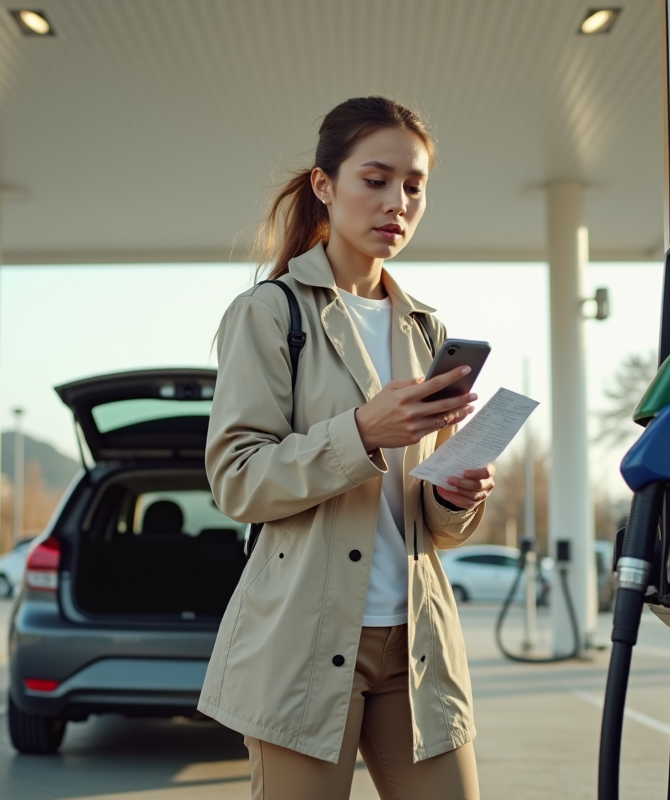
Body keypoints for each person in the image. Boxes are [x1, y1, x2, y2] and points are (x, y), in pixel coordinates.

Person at [199, 96, 495, 800]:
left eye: (414, 185)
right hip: (302, 642)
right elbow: (237, 481)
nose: (398, 201)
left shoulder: (427, 330)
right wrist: (360, 432)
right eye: (376, 178)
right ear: (325, 186)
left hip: (417, 644)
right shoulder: (270, 313)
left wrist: (455, 496)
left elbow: (434, 521)